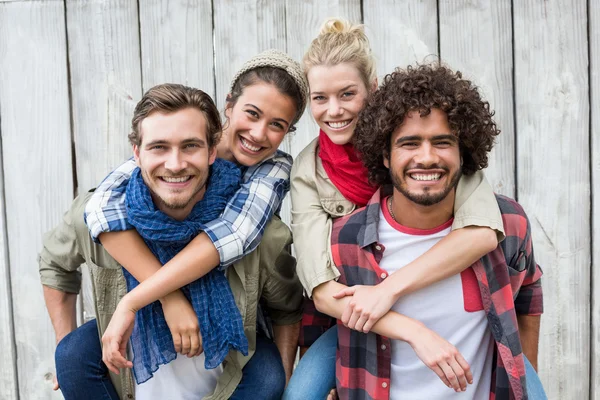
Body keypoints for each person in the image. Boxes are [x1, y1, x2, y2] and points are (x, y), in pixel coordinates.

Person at [40, 83, 303, 399]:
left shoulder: (258, 231)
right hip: (127, 378)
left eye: (190, 146)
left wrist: (287, 383)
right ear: (136, 153)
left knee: (267, 376)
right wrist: (61, 342)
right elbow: (55, 264)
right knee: (73, 354)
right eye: (159, 147)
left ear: (211, 151)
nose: (175, 164)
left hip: (228, 381)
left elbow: (287, 309)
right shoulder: (99, 217)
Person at [284, 18, 502, 400]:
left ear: (372, 89)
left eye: (347, 94)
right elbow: (321, 291)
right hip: (356, 317)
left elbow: (483, 232)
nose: (333, 110)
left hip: (429, 300)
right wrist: (410, 329)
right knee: (300, 394)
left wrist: (390, 290)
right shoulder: (308, 170)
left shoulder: (424, 148)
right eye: (320, 98)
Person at [314, 63, 546, 399]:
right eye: (409, 143)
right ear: (384, 155)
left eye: (442, 142)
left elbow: (527, 298)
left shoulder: (508, 224)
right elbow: (320, 329)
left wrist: (521, 382)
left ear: (463, 151)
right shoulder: (343, 240)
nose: (427, 158)